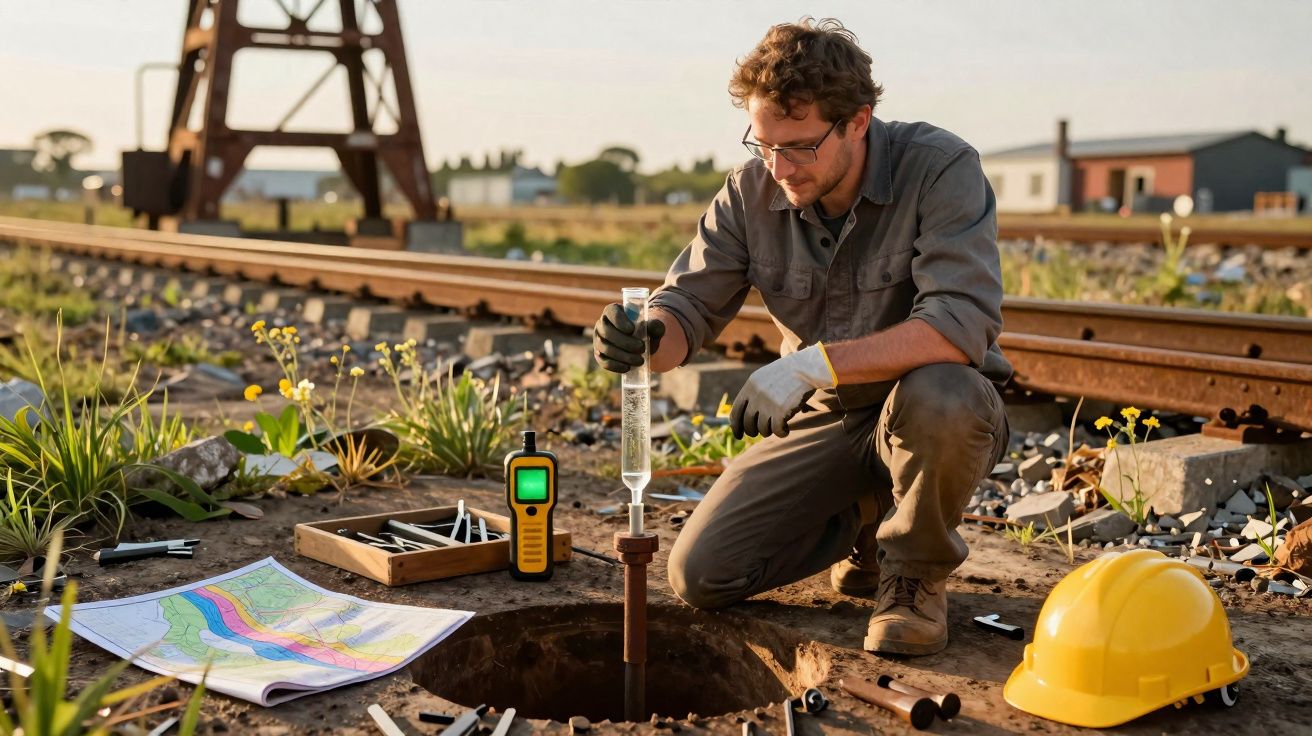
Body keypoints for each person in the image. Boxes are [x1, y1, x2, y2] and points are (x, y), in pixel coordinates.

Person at [592, 17, 1012, 656]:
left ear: (857, 122)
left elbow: (959, 326)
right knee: (702, 575)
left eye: (800, 147)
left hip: (933, 408)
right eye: (763, 145)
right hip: (830, 417)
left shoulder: (939, 168)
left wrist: (811, 366)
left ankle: (913, 577)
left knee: (943, 394)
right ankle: (868, 517)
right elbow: (688, 307)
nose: (779, 167)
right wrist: (647, 336)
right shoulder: (749, 190)